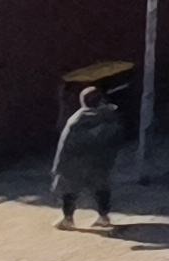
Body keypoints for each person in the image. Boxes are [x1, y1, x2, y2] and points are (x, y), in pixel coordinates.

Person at [51, 85, 126, 230]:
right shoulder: (109, 117)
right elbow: (116, 139)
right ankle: (104, 217)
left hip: (75, 164)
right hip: (99, 163)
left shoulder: (76, 121)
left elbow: (66, 146)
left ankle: (68, 219)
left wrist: (58, 167)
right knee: (101, 189)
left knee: (69, 191)